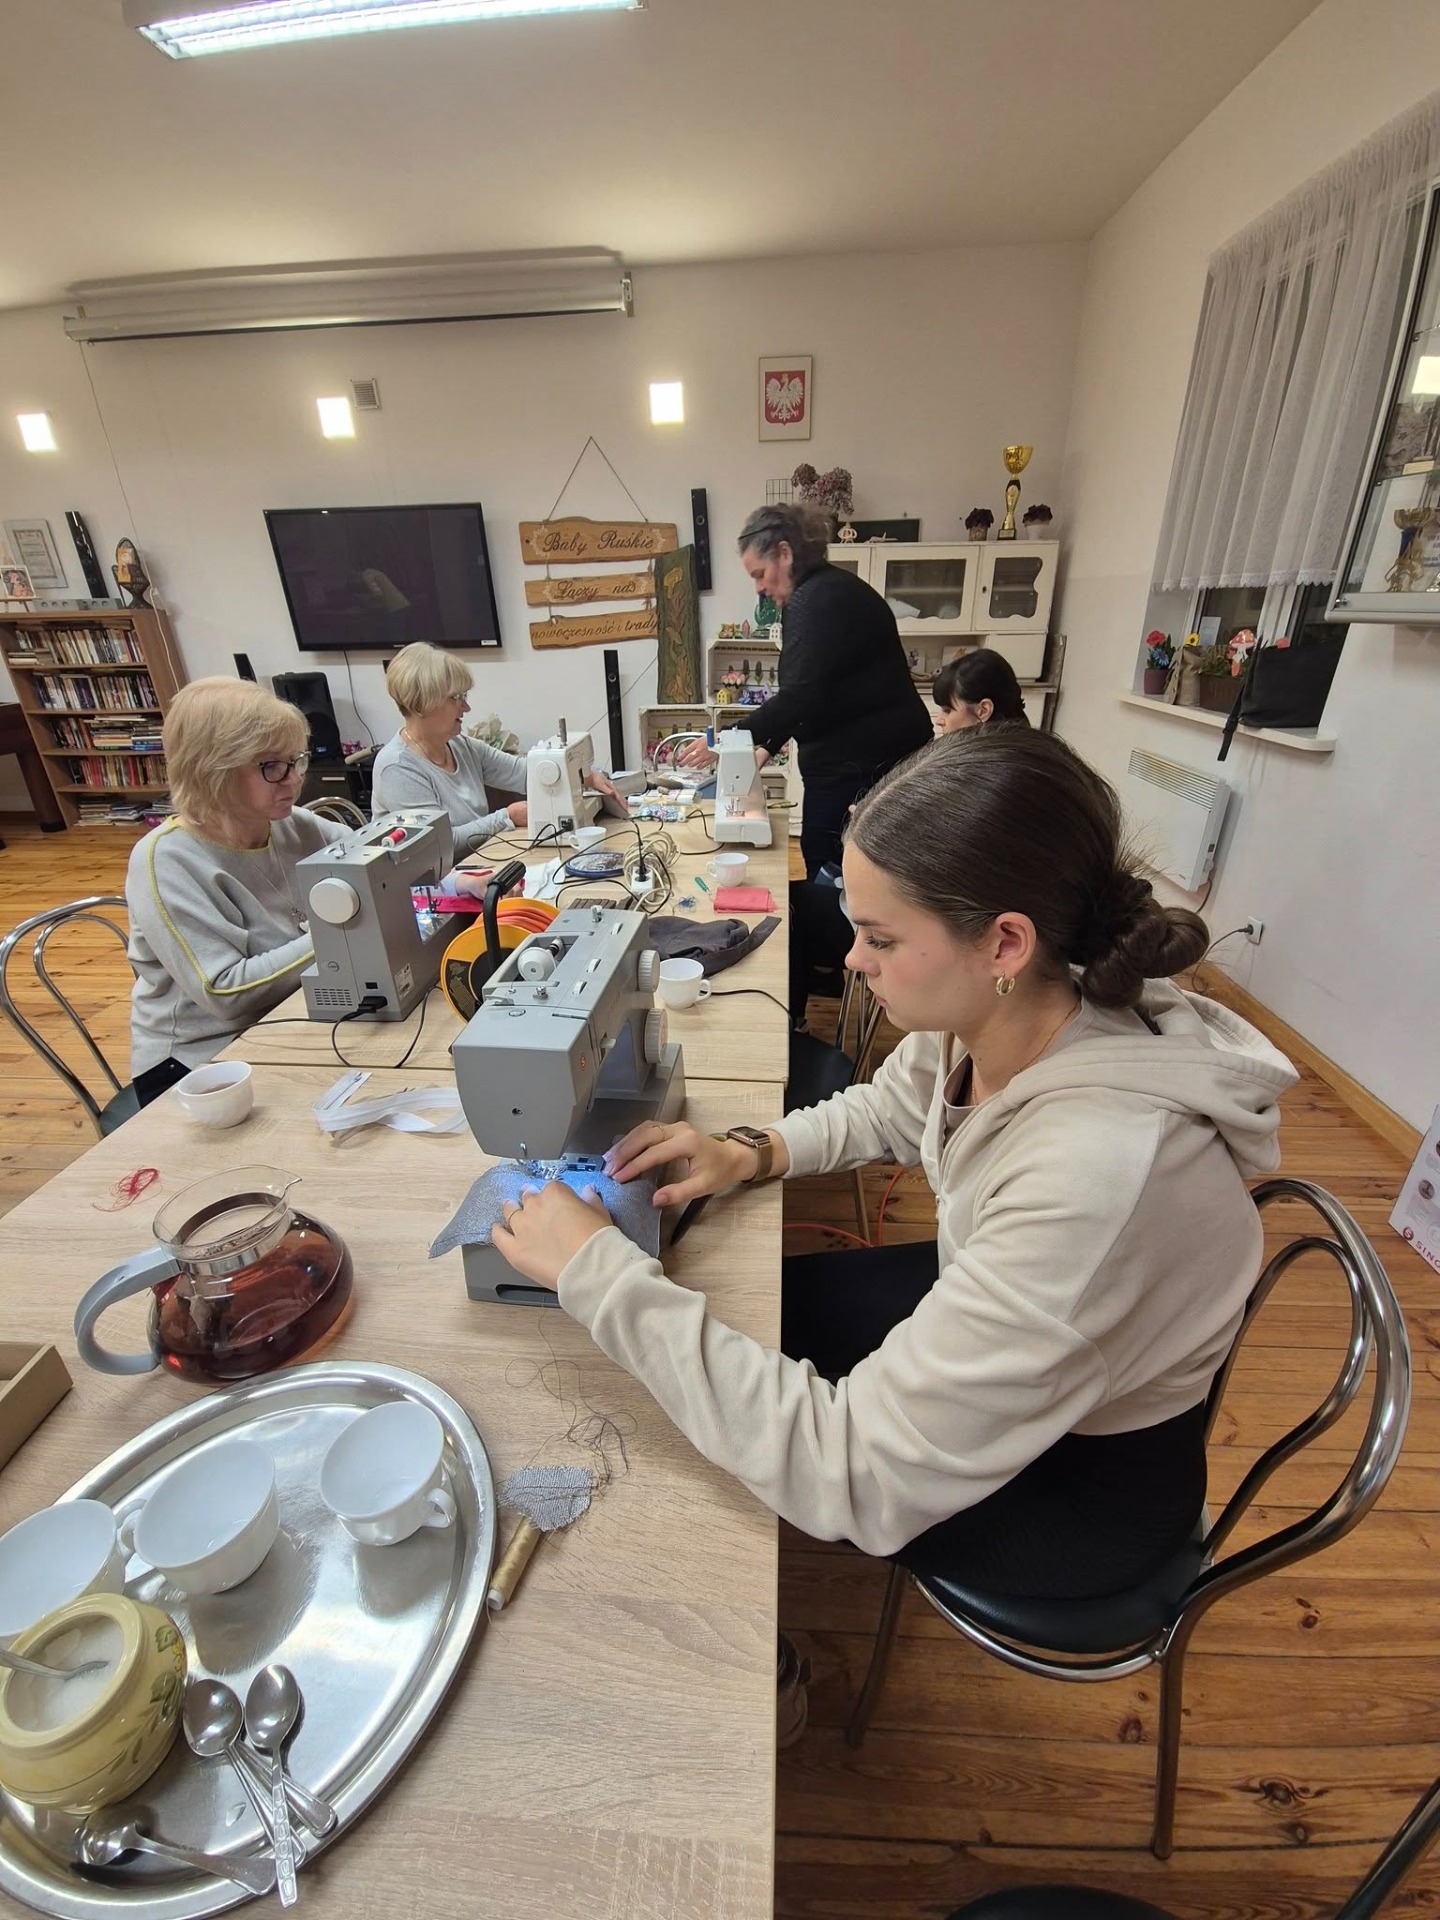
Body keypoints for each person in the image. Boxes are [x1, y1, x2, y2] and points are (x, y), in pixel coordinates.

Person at [488, 726, 1298, 1598]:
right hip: (1036, 1329)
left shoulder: (1099, 1172)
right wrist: (747, 1152)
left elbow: (853, 1478)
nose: (851, 961)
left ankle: (777, 1673)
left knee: (715, 1478)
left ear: (1005, 943)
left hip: (1082, 1491)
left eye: (878, 937)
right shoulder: (1018, 1004)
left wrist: (595, 1272)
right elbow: (889, 1105)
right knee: (756, 1324)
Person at [126, 677, 353, 1105]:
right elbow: (227, 994)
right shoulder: (166, 860)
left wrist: (450, 882)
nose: (293, 780)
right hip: (200, 1065)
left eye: (295, 760)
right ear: (211, 769)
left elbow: (380, 856)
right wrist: (341, 928)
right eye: (271, 765)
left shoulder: (293, 824)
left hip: (287, 1017)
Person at [681, 504, 933, 878]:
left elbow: (800, 695)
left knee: (832, 867)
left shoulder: (814, 601)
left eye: (760, 574)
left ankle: (839, 935)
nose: (759, 588)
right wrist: (765, 747)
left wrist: (723, 736)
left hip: (863, 769)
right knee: (844, 867)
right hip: (872, 761)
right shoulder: (829, 590)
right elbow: (817, 690)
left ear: (785, 553)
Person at [371, 642, 621, 857]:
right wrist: (506, 817)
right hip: (436, 895)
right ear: (421, 704)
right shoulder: (397, 768)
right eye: (455, 698)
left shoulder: (462, 747)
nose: (466, 708)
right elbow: (438, 844)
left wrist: (586, 776)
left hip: (478, 865)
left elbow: (526, 774)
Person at [932, 648, 1030, 732]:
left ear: (984, 710)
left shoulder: (989, 753)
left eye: (947, 711)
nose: (939, 721)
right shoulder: (1025, 743)